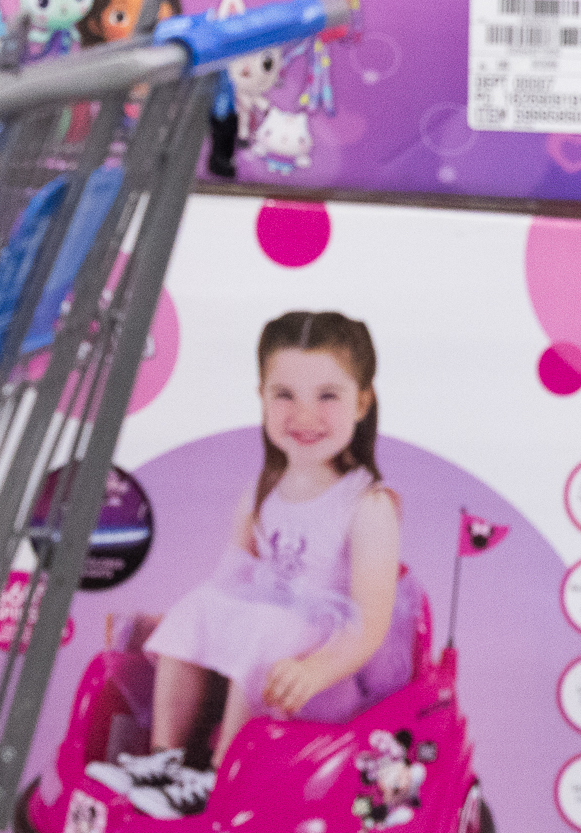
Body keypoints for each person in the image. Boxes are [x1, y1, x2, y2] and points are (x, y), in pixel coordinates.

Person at [104, 311, 409, 819]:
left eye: (327, 396)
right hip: (267, 642)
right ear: (262, 397)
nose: (304, 415)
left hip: (326, 670)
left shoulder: (369, 504)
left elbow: (368, 626)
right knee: (200, 606)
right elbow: (228, 584)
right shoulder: (261, 491)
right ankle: (166, 760)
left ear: (361, 402)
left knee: (265, 627)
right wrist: (174, 626)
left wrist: (315, 671)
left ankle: (218, 776)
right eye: (284, 395)